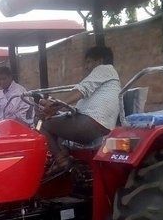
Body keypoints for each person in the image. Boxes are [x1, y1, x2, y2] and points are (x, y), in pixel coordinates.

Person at [39, 46, 121, 175]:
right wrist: (57, 109)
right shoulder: (107, 77)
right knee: (58, 129)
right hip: (94, 122)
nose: (87, 67)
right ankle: (66, 162)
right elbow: (77, 106)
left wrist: (54, 106)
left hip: (91, 123)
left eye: (88, 62)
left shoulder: (104, 69)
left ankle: (61, 161)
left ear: (99, 60)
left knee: (43, 125)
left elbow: (81, 90)